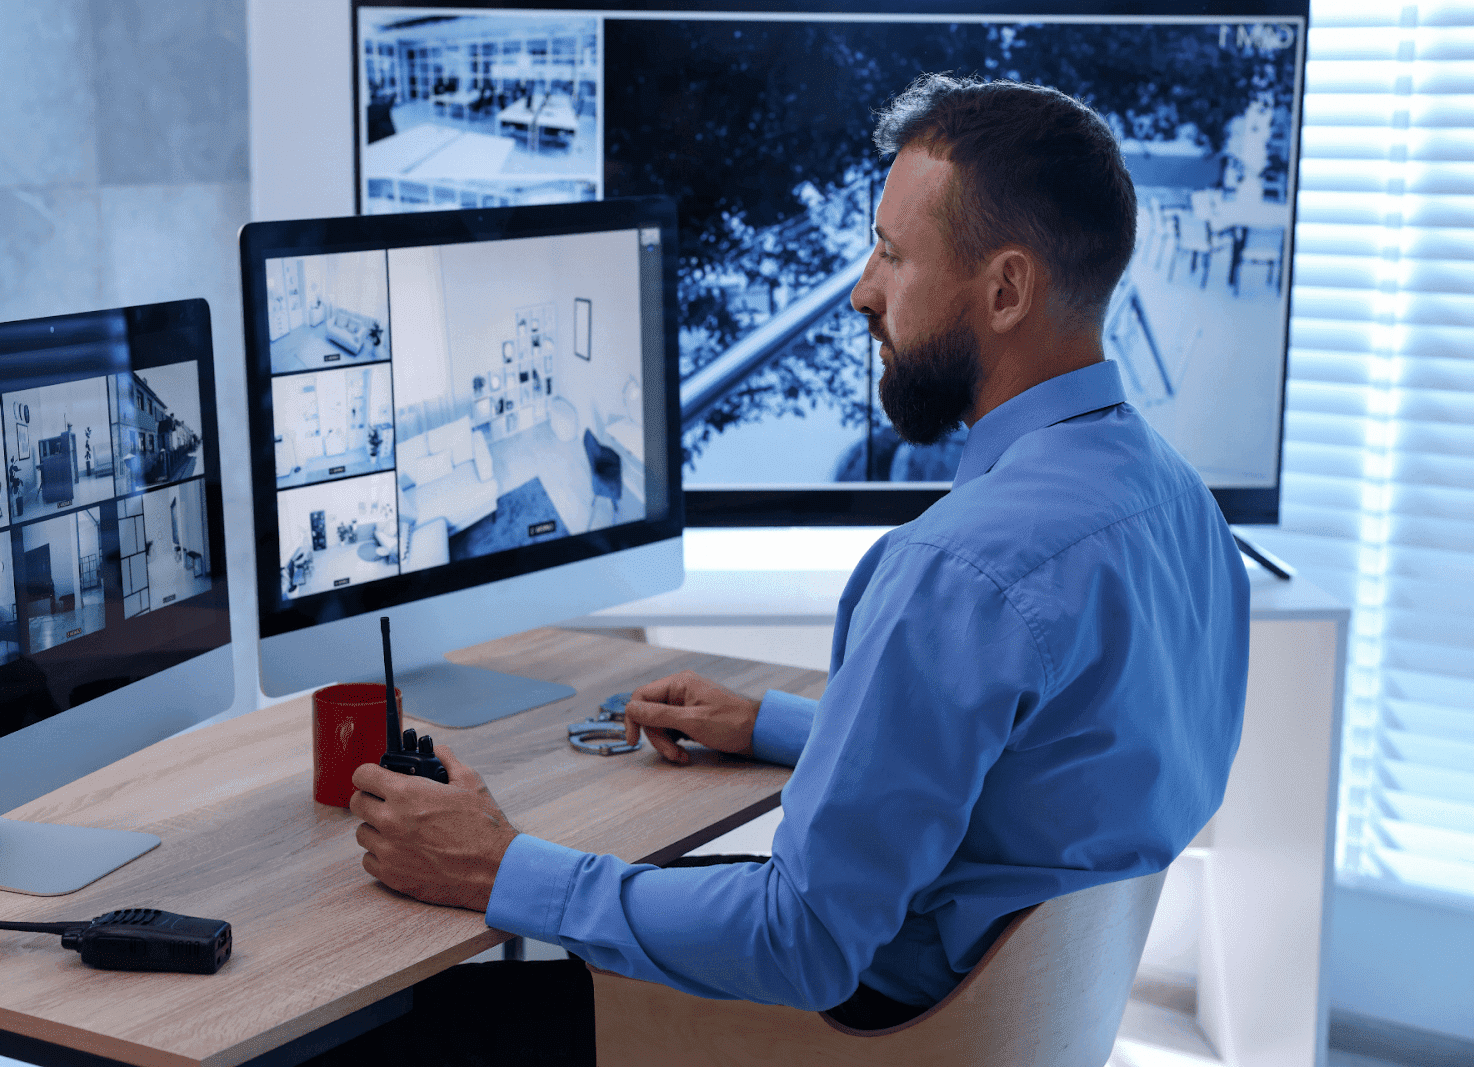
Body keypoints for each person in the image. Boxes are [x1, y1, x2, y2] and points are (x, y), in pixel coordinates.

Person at [318, 73, 1250, 1065]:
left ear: (1006, 288)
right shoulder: (1183, 510)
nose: (860, 289)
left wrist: (502, 864)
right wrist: (780, 725)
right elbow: (1035, 784)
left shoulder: (955, 569)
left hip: (857, 1038)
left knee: (378, 1027)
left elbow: (800, 941)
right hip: (1012, 1024)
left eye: (892, 253)